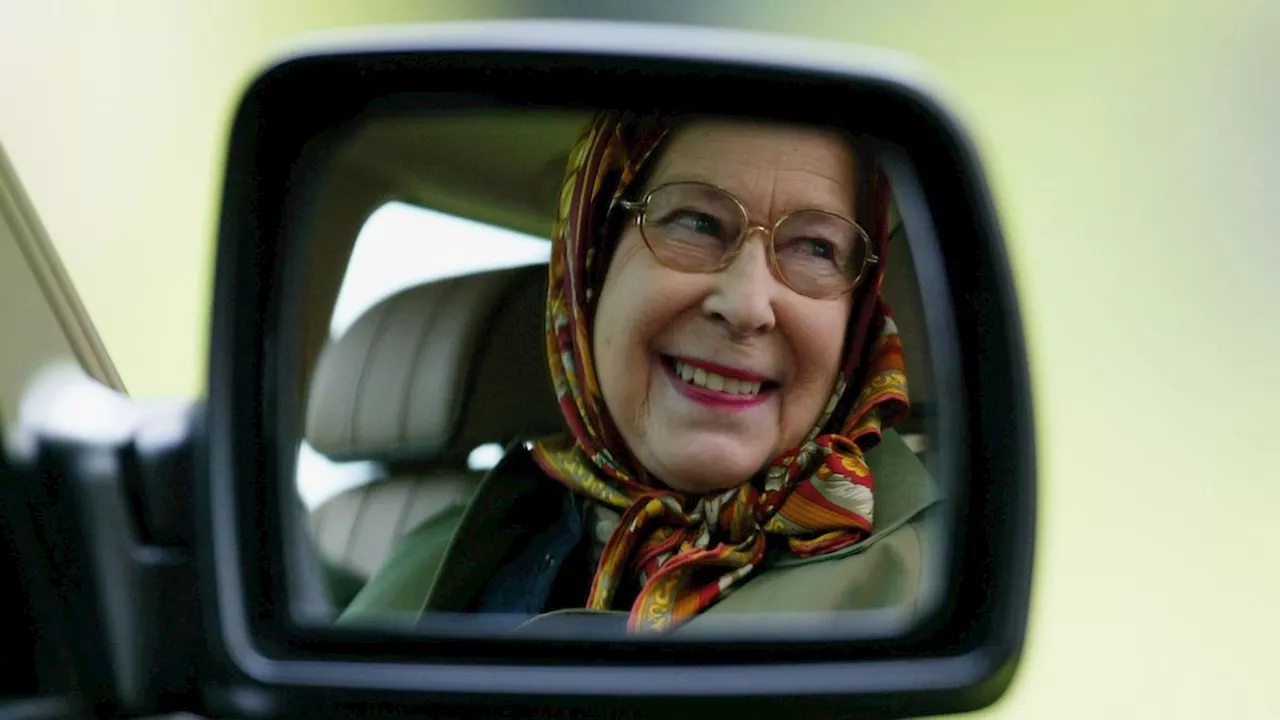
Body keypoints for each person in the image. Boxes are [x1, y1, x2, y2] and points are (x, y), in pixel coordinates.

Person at [339, 111, 940, 634]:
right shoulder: (453, 544)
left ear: (856, 316)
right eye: (697, 223)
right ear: (591, 267)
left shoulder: (927, 587)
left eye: (815, 248)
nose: (749, 305)